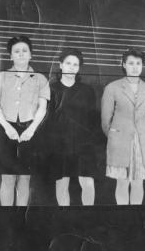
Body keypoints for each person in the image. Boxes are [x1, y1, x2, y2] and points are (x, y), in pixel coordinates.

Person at [0, 35, 50, 206]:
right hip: (5, 130)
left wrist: (31, 130)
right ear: (10, 56)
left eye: (25, 50)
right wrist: (7, 127)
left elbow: (42, 109)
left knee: (24, 178)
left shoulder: (40, 79)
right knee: (7, 178)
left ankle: (20, 220)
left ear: (31, 54)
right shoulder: (0, 77)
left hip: (30, 132)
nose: (21, 54)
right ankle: (7, 219)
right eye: (16, 51)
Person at [101, 48, 145, 205]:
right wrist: (117, 135)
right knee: (121, 182)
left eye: (138, 63)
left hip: (142, 142)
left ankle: (134, 216)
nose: (135, 67)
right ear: (123, 64)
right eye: (131, 63)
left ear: (142, 65)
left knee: (138, 182)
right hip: (119, 142)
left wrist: (140, 133)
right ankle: (123, 217)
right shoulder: (112, 88)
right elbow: (106, 120)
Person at [46, 48, 97, 206]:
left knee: (88, 183)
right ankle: (65, 220)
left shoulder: (87, 90)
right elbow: (48, 119)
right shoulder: (51, 89)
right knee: (62, 183)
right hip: (59, 144)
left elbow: (92, 119)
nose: (71, 67)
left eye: (75, 64)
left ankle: (88, 218)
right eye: (68, 63)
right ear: (60, 64)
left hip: (83, 144)